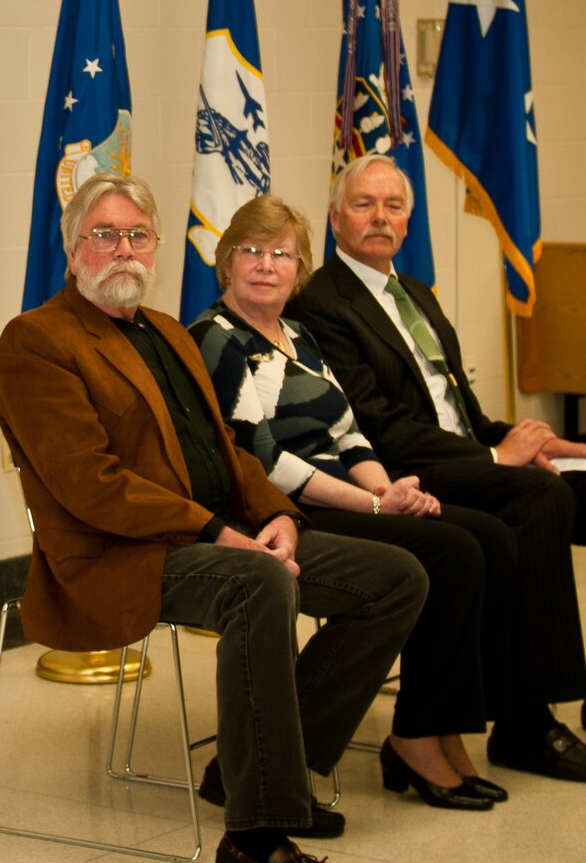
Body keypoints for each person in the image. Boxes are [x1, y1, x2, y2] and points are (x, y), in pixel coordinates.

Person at [0, 171, 424, 863]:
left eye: (136, 235)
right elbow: (92, 485)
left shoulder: (165, 329)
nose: (121, 249)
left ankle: (259, 769)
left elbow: (226, 446)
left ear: (156, 246)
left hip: (218, 534)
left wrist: (276, 513)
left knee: (396, 575)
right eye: (103, 234)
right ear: (71, 249)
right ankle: (255, 838)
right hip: (116, 556)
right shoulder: (38, 340)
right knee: (261, 582)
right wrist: (222, 532)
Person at [290, 153, 586, 785]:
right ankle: (527, 721)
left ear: (408, 223)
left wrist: (533, 441)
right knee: (535, 496)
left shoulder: (417, 296)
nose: (380, 218)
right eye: (363, 205)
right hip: (401, 472)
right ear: (334, 218)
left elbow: (461, 411)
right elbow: (378, 429)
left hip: (468, 454)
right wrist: (496, 458)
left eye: (394, 206)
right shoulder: (324, 303)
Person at [190, 195, 510, 810]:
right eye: (251, 252)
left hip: (347, 492)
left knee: (485, 539)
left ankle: (437, 726)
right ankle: (325, 751)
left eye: (281, 253)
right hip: (282, 510)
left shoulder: (299, 333)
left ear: (300, 269)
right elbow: (261, 458)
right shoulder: (215, 337)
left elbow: (350, 434)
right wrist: (371, 509)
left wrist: (389, 490)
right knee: (450, 555)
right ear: (226, 263)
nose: (265, 264)